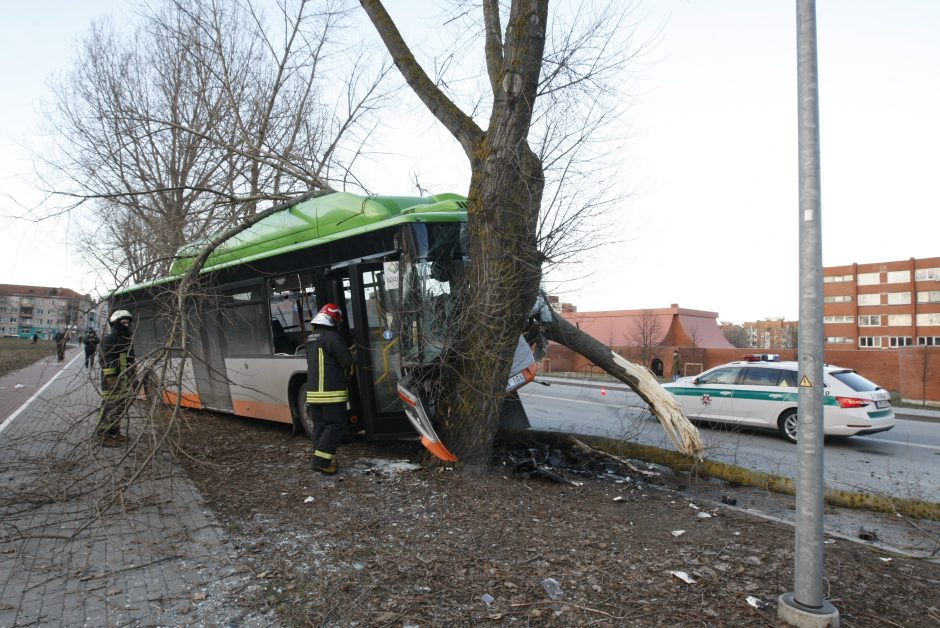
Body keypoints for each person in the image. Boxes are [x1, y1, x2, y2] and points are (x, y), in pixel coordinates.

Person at [305, 303, 356, 475]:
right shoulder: (332, 337)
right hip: (331, 392)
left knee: (320, 426)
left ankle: (322, 459)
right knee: (335, 426)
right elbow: (346, 361)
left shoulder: (311, 338)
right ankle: (321, 462)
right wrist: (353, 355)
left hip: (313, 393)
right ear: (333, 320)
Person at [98, 310, 136, 447]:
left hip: (124, 380)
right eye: (123, 322)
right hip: (111, 381)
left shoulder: (128, 340)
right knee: (109, 408)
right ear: (115, 323)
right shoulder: (109, 339)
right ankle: (102, 436)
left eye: (128, 322)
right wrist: (113, 379)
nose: (126, 325)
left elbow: (132, 362)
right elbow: (104, 361)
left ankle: (114, 433)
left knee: (119, 408)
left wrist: (134, 381)